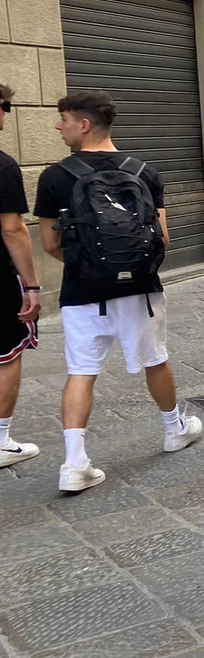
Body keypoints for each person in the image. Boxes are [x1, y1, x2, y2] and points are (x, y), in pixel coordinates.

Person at [35, 91, 203, 493]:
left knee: (81, 372)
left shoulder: (55, 177)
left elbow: (48, 242)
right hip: (141, 290)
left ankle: (75, 463)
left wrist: (89, 265)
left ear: (84, 124)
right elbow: (161, 237)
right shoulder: (145, 172)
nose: (58, 126)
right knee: (155, 361)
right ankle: (173, 429)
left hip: (82, 290)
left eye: (63, 119)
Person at [0, 85, 41, 469]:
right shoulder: (3, 165)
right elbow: (12, 229)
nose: (6, 115)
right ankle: (0, 439)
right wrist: (31, 285)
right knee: (6, 355)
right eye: (5, 107)